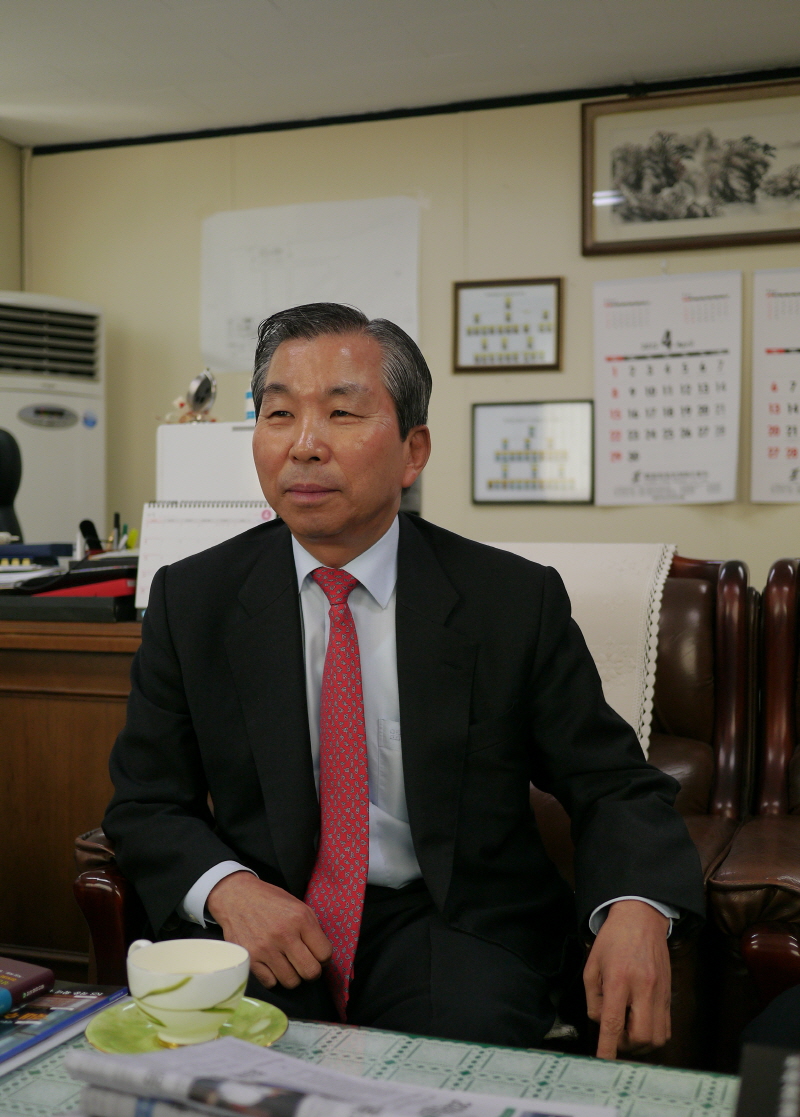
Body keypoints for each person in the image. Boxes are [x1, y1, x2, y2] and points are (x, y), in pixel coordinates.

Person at [104, 303, 704, 1058]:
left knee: (452, 1076)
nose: (305, 444)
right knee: (227, 1078)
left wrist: (637, 906)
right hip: (266, 914)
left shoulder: (509, 601)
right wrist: (229, 889)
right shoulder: (195, 599)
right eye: (279, 414)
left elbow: (611, 782)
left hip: (452, 921)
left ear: (412, 450)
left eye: (342, 412)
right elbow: (147, 800)